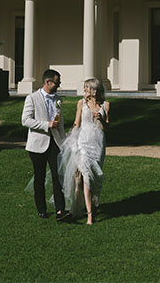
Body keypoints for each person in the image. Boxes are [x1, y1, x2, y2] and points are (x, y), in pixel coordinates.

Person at [59, 77, 109, 225]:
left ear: (94, 90)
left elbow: (107, 127)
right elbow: (77, 123)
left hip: (98, 144)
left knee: (94, 178)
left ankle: (92, 205)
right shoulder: (82, 103)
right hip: (83, 143)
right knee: (86, 177)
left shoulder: (105, 105)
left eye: (87, 87)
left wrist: (101, 119)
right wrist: (71, 141)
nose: (85, 89)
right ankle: (89, 215)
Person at [21, 69, 68, 220]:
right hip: (37, 143)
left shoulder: (58, 99)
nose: (58, 86)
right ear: (48, 82)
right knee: (39, 177)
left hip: (55, 142)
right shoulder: (32, 98)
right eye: (57, 83)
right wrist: (46, 124)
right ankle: (41, 209)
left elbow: (60, 123)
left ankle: (60, 210)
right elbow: (26, 120)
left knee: (57, 176)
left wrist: (64, 141)